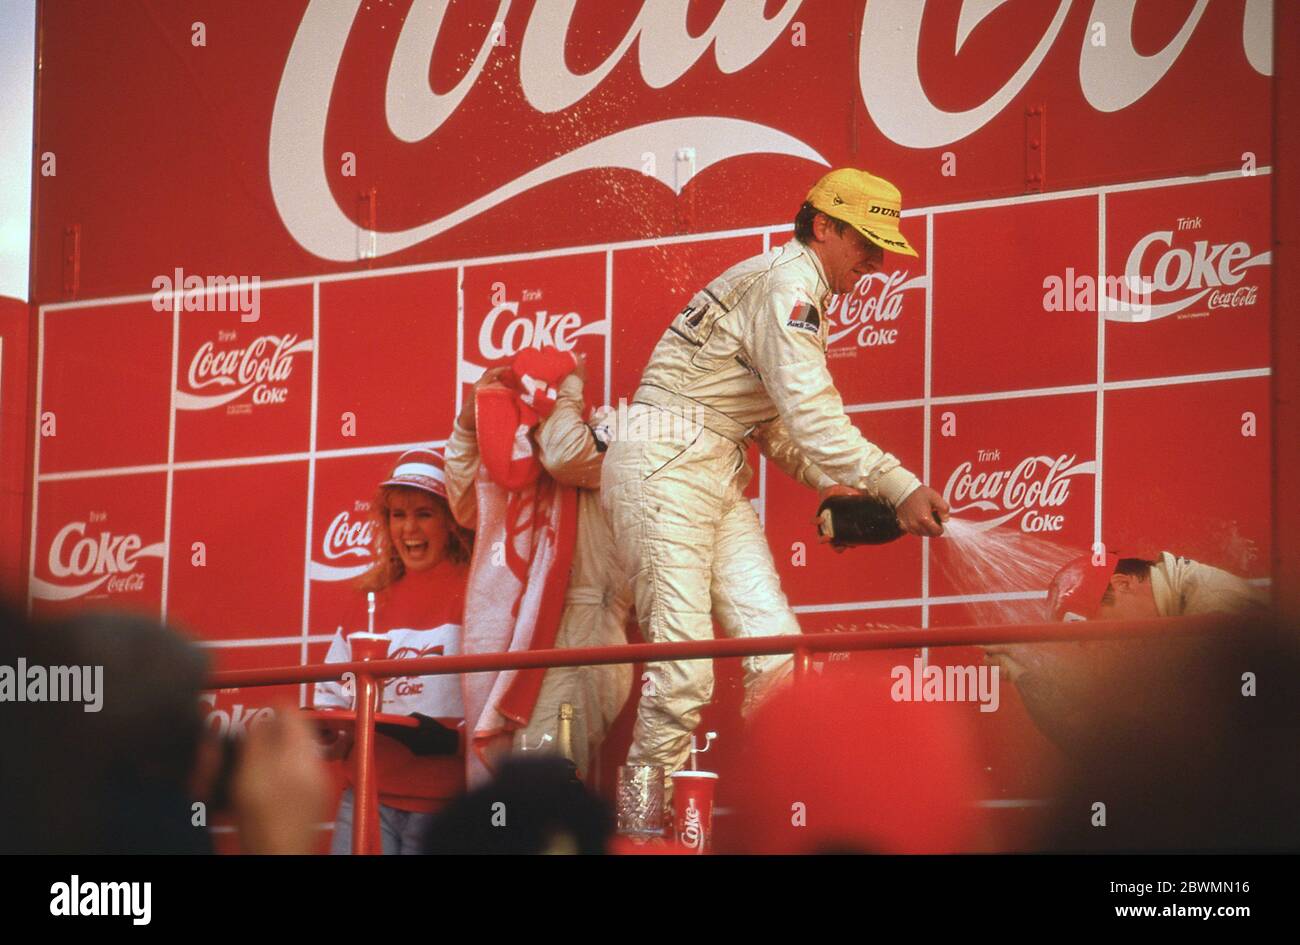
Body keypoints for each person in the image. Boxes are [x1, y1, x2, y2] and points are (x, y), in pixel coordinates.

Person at [600, 168, 951, 784]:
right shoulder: (790, 285)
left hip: (705, 462)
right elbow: (813, 418)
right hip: (665, 465)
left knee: (778, 653)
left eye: (882, 247)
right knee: (683, 673)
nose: (874, 260)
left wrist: (834, 487)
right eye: (866, 242)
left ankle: (781, 817)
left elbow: (775, 430)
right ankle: (643, 834)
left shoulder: (787, 284)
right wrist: (898, 485)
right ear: (824, 226)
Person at [443, 357, 633, 780]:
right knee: (519, 800)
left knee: (536, 791)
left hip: (585, 632)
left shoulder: (617, 430)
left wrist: (565, 390)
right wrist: (469, 426)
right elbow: (465, 503)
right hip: (523, 642)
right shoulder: (529, 463)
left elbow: (566, 455)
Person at [315, 448, 474, 854]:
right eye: (397, 515)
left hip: (446, 804)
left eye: (424, 513)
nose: (409, 529)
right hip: (367, 797)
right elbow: (331, 697)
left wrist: (452, 742)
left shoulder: (477, 591)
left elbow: (501, 700)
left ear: (452, 520)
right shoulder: (370, 597)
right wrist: (327, 732)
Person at [986, 550, 1269, 760]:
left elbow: (1125, 741)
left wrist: (1025, 674)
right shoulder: (1174, 612)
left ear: (1123, 584)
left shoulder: (1214, 611)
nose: (1100, 645)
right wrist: (1024, 666)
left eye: (1098, 630)